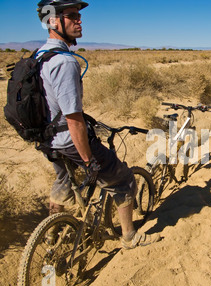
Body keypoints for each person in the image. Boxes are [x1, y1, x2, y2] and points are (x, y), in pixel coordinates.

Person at [36, 0, 160, 249]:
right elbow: (73, 119)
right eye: (72, 16)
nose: (79, 21)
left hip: (47, 140)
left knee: (62, 181)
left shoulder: (39, 56)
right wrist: (88, 160)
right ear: (53, 21)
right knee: (123, 179)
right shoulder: (65, 62)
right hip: (69, 140)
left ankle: (52, 235)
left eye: (79, 16)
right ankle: (129, 237)